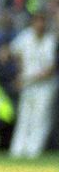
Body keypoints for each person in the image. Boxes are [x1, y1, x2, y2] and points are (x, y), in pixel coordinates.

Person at [7, 10, 55, 159]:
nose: (40, 24)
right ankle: (18, 151)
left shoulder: (50, 40)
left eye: (42, 21)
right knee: (24, 117)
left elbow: (51, 68)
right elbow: (12, 52)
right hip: (27, 84)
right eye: (37, 21)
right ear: (32, 23)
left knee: (40, 119)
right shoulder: (25, 37)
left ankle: (33, 151)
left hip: (44, 86)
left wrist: (27, 78)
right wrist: (19, 72)